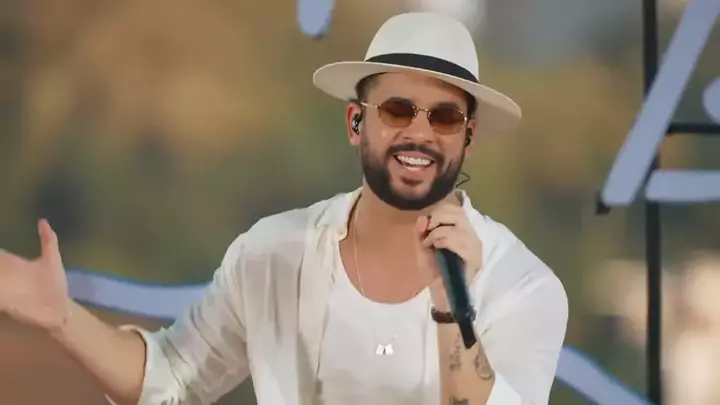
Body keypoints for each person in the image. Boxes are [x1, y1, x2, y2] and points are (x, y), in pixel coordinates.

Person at [0, 11, 568, 405]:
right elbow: (171, 378)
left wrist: (451, 307)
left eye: (444, 117)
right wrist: (61, 316)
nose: (419, 133)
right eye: (398, 110)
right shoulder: (273, 254)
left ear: (467, 136)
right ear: (356, 122)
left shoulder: (523, 287)